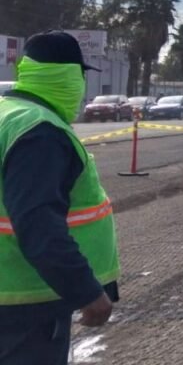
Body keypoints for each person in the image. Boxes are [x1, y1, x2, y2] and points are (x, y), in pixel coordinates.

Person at [0, 32, 119, 364]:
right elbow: (37, 223)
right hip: (24, 304)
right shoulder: (40, 131)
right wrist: (85, 290)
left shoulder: (7, 114)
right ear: (68, 76)